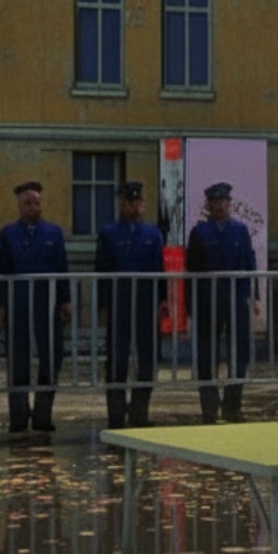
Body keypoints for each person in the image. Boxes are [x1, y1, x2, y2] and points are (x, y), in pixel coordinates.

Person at [0, 181, 71, 433]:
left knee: (51, 357)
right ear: (19, 205)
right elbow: (0, 270)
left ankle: (42, 414)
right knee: (18, 360)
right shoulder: (8, 234)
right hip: (18, 304)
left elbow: (62, 268)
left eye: (36, 203)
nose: (33, 207)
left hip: (47, 304)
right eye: (28, 203)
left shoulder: (53, 232)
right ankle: (18, 416)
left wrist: (66, 301)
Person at [186, 183, 257, 424]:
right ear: (209, 205)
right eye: (216, 202)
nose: (221, 206)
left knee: (240, 353)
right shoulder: (200, 233)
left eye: (224, 202)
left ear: (230, 204)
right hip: (208, 300)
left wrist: (251, 297)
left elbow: (249, 264)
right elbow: (192, 270)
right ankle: (209, 407)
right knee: (207, 354)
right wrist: (191, 305)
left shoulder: (240, 231)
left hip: (236, 298)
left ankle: (232, 405)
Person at [96, 181, 166, 429]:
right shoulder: (109, 233)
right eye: (129, 203)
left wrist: (162, 300)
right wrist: (103, 305)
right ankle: (116, 414)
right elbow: (102, 270)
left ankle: (139, 412)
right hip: (119, 303)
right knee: (117, 360)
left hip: (146, 303)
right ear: (121, 204)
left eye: (137, 202)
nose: (134, 207)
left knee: (147, 359)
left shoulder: (153, 234)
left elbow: (159, 268)